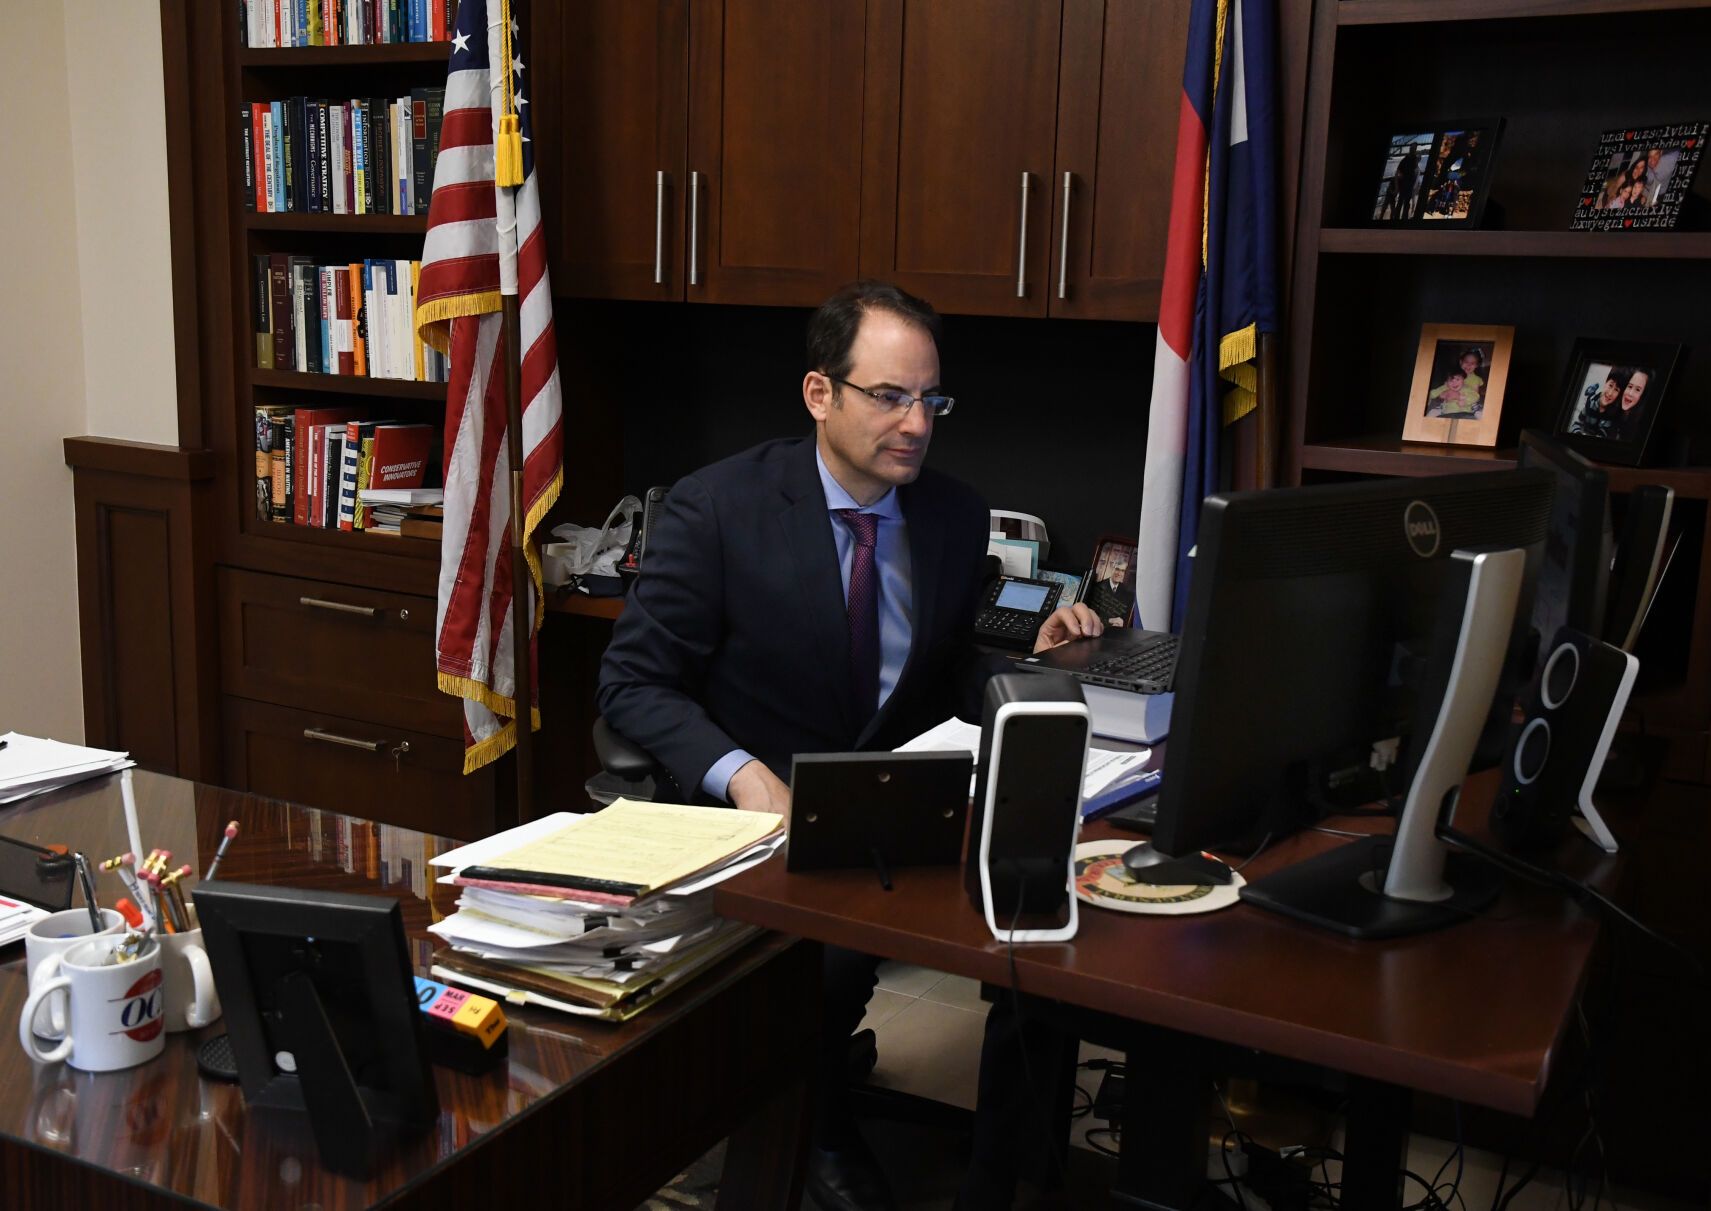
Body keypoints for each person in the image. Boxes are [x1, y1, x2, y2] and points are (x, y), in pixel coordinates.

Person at [598, 280, 1106, 1211]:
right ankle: (813, 1130)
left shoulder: (951, 515)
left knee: (1044, 929)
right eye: (889, 396)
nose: (915, 423)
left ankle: (1006, 1176)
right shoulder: (719, 510)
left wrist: (1014, 659)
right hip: (768, 813)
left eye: (930, 400)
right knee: (824, 966)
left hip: (899, 799)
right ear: (819, 394)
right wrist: (742, 776)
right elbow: (630, 682)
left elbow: (942, 662)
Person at [1572, 368, 1628, 440]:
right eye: (1610, 385)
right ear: (1605, 383)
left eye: (1616, 390)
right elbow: (1577, 423)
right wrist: (1578, 434)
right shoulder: (1590, 403)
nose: (1610, 393)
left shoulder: (1615, 414)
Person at [1616, 365, 1650, 443]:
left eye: (1637, 390)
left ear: (1643, 395)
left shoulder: (1640, 427)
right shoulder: (1613, 408)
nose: (1630, 393)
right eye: (1630, 386)